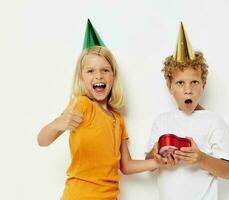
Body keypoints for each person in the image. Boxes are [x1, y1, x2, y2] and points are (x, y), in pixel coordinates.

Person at [37, 19, 159, 200]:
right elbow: (42, 140)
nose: (98, 75)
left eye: (105, 70)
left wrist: (157, 162)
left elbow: (126, 166)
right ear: (82, 77)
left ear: (113, 75)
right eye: (90, 71)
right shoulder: (82, 104)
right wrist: (59, 123)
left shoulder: (118, 119)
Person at [145, 22, 229, 200]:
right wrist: (157, 155)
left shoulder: (213, 121)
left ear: (203, 84)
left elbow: (228, 171)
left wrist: (201, 159)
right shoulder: (162, 121)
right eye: (180, 83)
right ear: (169, 86)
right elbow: (150, 163)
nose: (188, 90)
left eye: (194, 82)